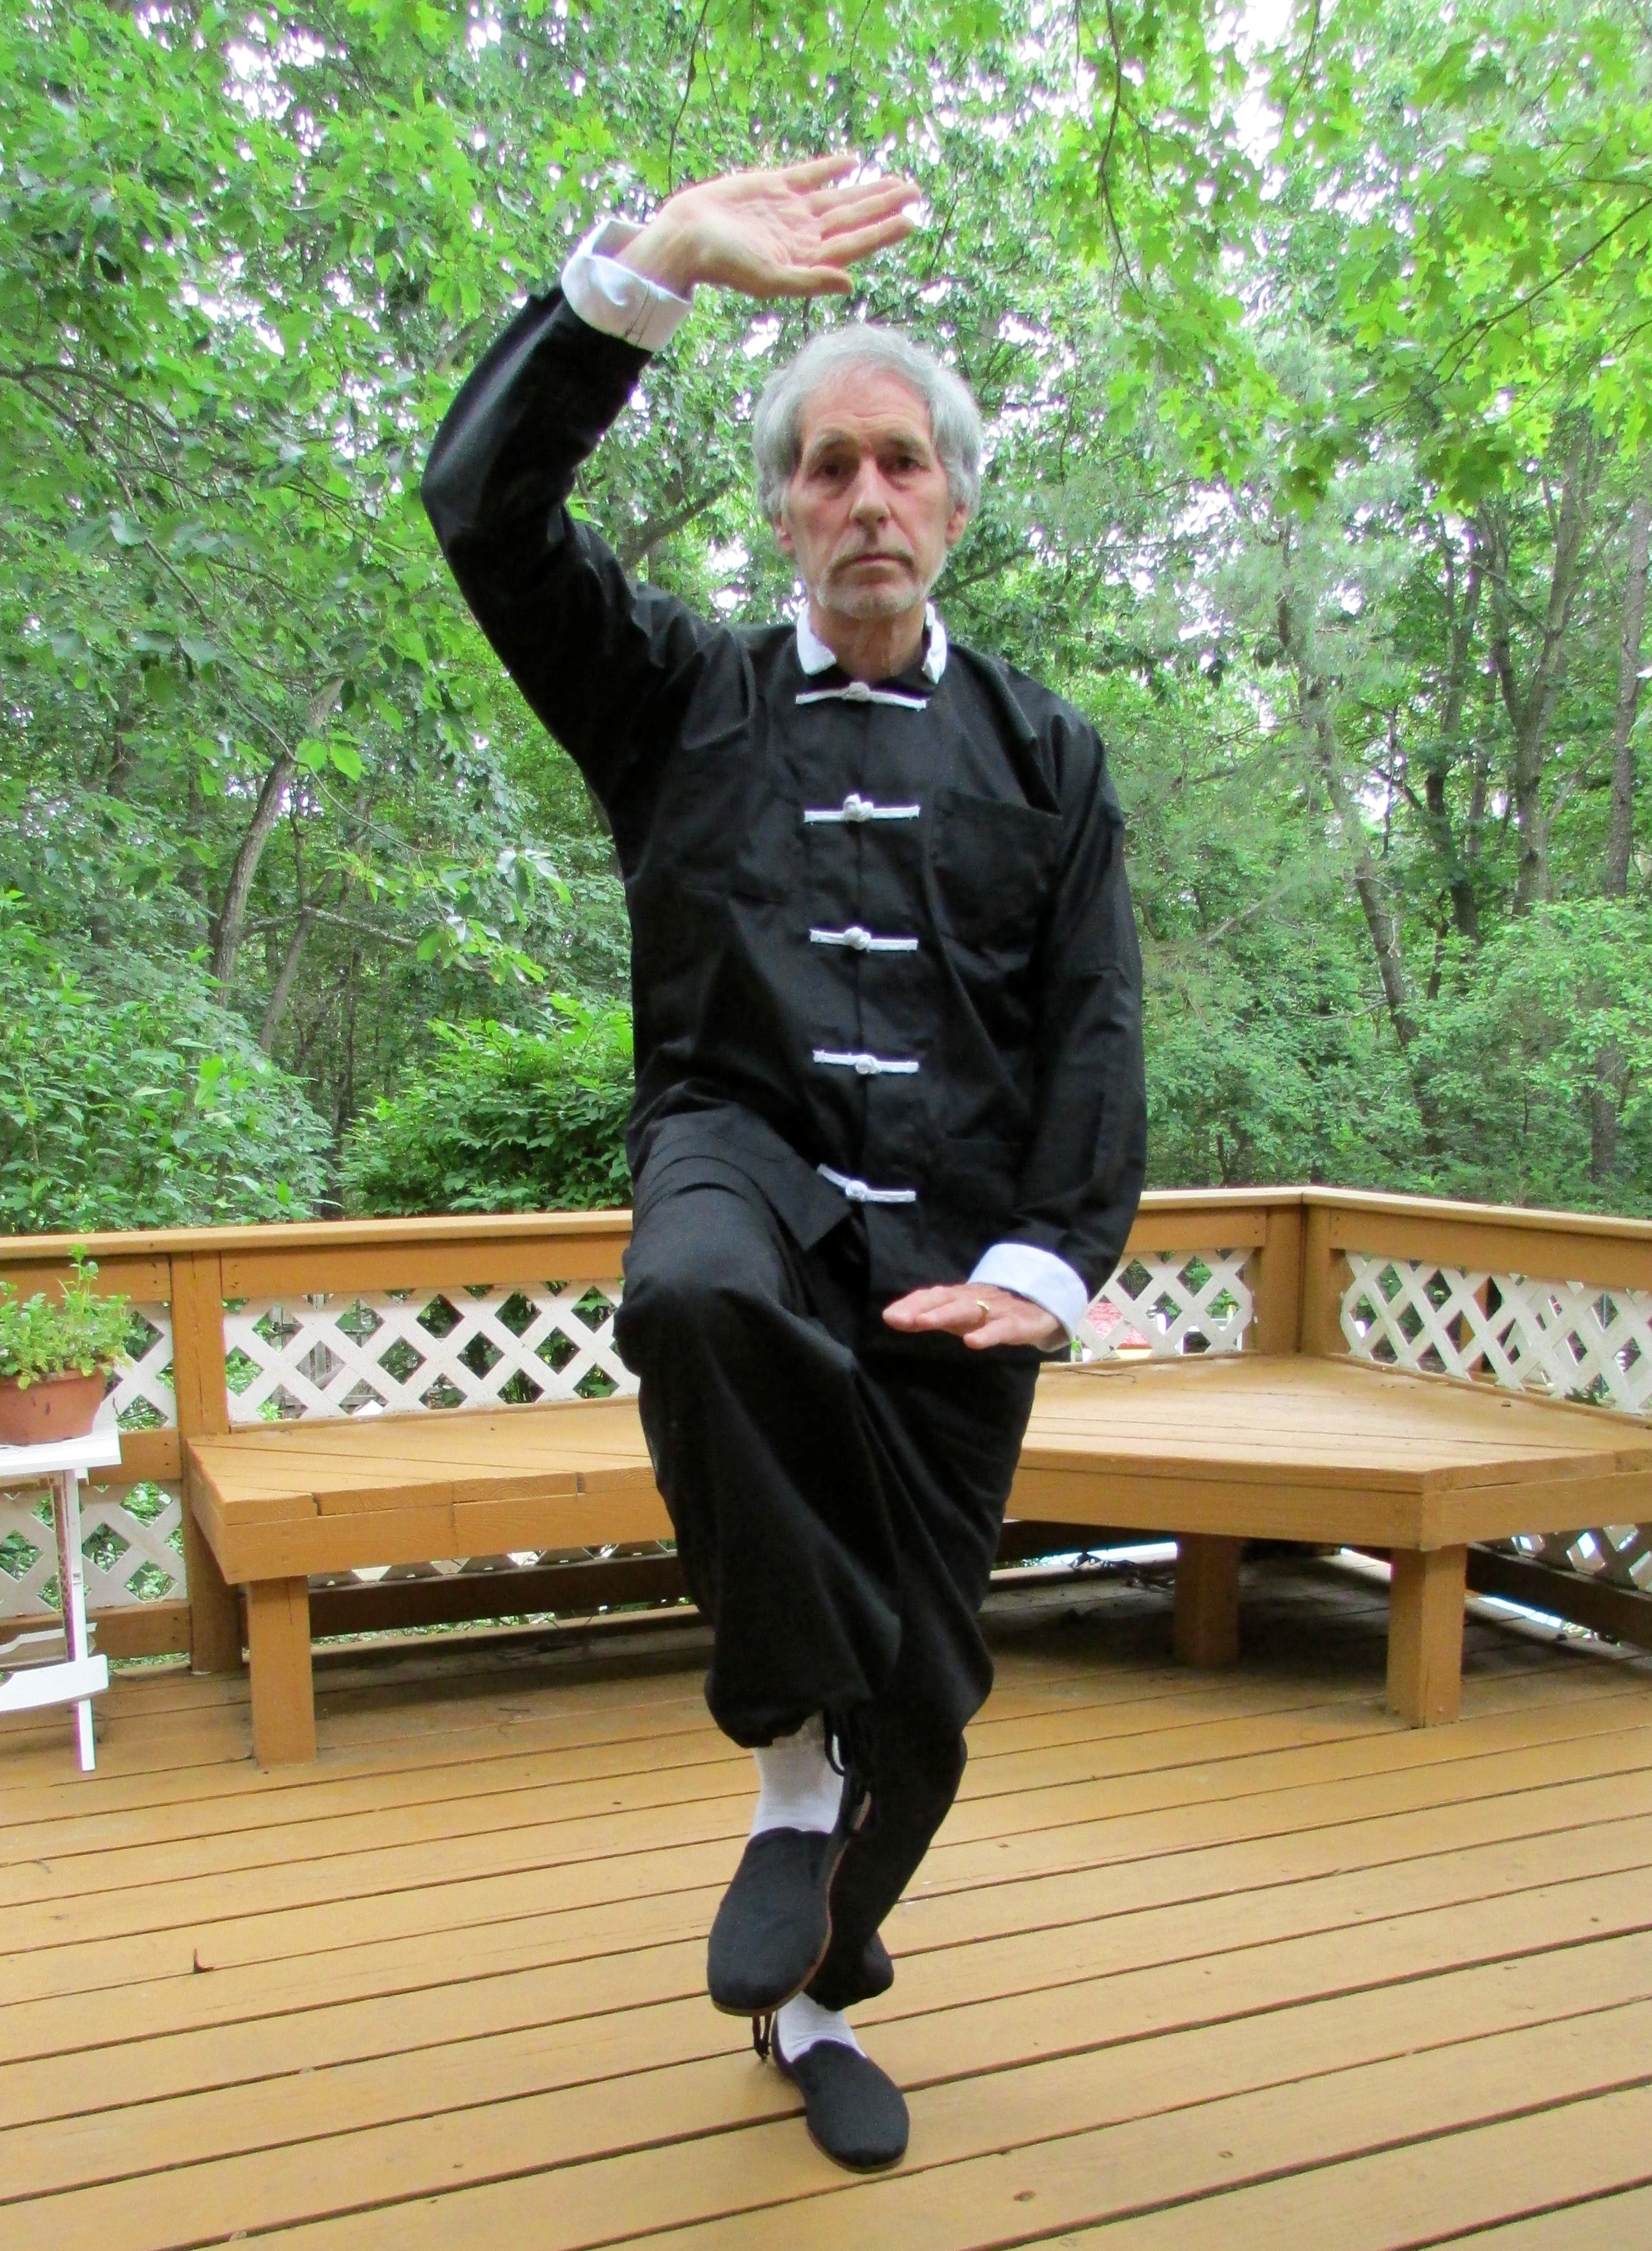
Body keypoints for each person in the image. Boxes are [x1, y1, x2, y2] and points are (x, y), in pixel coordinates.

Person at [422, 156, 1145, 2172]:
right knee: (691, 1288)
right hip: (739, 1171)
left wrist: (1052, 1266)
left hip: (954, 1263)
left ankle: (819, 1986)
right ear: (783, 510)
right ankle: (782, 1763)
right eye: (828, 468)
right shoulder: (679, 702)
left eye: (901, 465)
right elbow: (483, 510)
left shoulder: (1050, 755)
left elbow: (1094, 1028)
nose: (866, 499)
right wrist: (653, 265)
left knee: (930, 1704)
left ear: (957, 505)